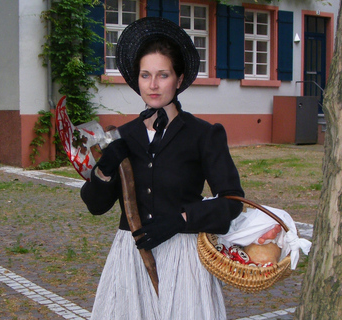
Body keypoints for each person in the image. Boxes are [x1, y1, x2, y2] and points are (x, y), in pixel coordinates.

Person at [81, 17, 263, 319]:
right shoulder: (123, 136)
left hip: (184, 258)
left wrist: (180, 220)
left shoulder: (204, 134)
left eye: (162, 75)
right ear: (136, 79)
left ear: (178, 79)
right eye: (145, 75)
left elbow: (231, 202)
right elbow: (95, 205)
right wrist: (105, 169)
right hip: (132, 258)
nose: (153, 85)